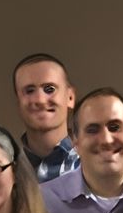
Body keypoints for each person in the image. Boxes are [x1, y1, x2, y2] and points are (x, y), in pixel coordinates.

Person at [14, 52, 80, 182]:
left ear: (70, 97)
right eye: (29, 91)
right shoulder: (7, 173)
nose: (40, 100)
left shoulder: (95, 165)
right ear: (18, 103)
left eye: (49, 89)